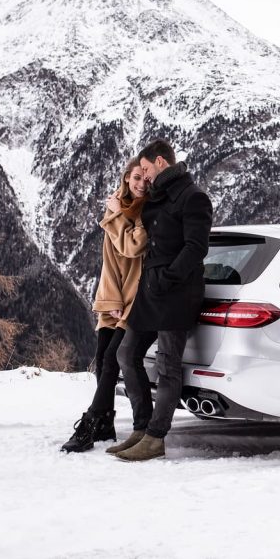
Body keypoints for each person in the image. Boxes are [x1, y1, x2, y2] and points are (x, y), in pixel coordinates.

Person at [107, 139, 213, 462]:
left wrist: (168, 278)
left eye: (147, 169)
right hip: (151, 293)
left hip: (177, 293)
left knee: (168, 367)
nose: (144, 175)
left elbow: (196, 247)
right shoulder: (159, 196)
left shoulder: (193, 198)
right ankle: (141, 427)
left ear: (161, 163)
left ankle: (156, 438)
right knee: (126, 353)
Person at [60, 156, 149, 453]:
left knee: (113, 358)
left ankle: (89, 423)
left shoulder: (146, 211)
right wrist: (111, 301)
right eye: (136, 178)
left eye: (145, 179)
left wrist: (116, 216)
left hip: (137, 297)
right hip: (116, 295)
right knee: (102, 360)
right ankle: (106, 422)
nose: (140, 184)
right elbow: (110, 262)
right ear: (126, 178)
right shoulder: (116, 208)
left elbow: (134, 247)